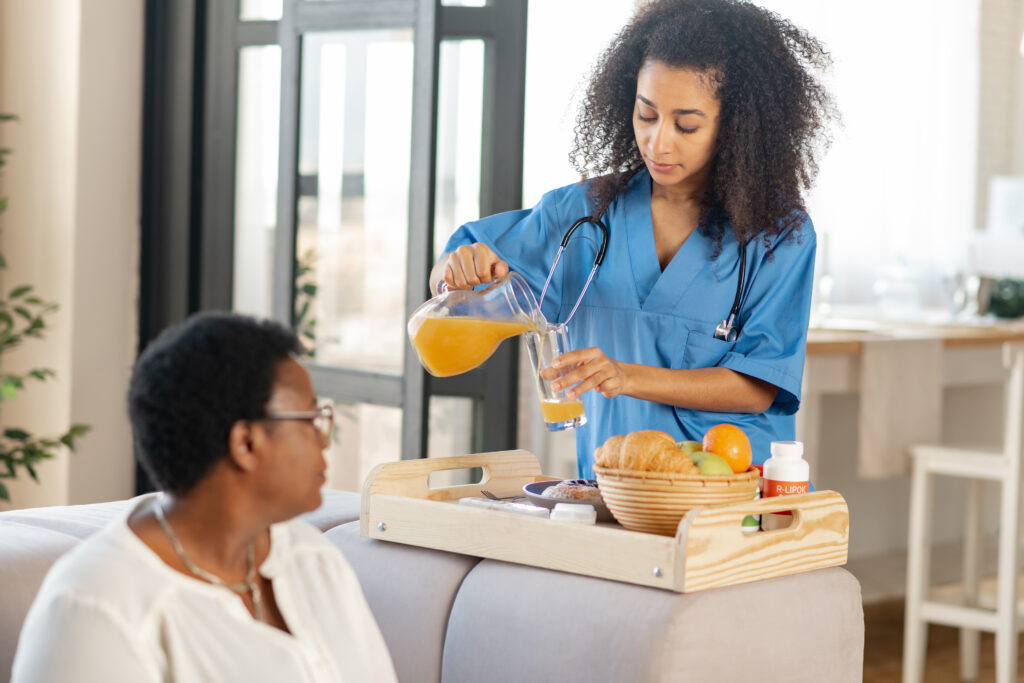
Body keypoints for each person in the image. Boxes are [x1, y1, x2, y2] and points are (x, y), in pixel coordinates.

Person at [431, 0, 836, 477]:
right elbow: (455, 283)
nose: (658, 142)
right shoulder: (582, 213)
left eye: (687, 125)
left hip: (731, 499)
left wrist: (625, 377)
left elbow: (758, 385)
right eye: (646, 115)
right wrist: (457, 269)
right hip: (615, 495)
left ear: (738, 127)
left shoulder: (778, 233)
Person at [12, 313, 397, 682]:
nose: (323, 439)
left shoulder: (314, 560)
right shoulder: (95, 608)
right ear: (245, 443)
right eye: (310, 419)